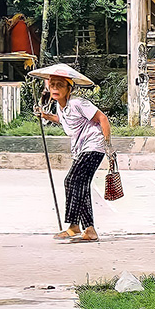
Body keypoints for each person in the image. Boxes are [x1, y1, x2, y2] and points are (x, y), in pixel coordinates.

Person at [35, 72, 113, 243]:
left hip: (94, 146)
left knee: (71, 181)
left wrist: (108, 146)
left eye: (60, 85)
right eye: (53, 85)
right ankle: (90, 230)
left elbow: (102, 118)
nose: (55, 88)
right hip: (81, 149)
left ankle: (73, 226)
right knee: (82, 186)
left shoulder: (78, 103)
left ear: (69, 89)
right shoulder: (60, 107)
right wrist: (46, 116)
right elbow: (65, 121)